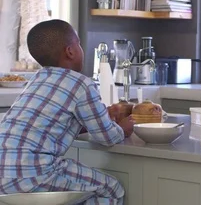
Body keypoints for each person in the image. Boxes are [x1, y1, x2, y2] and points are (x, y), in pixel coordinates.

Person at [0, 20, 134, 204]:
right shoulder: (82, 84)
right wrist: (124, 128)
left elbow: (54, 123)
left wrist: (101, 117)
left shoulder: (36, 79)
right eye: (79, 43)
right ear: (70, 51)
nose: (81, 48)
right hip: (33, 172)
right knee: (111, 189)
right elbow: (108, 137)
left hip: (3, 174)